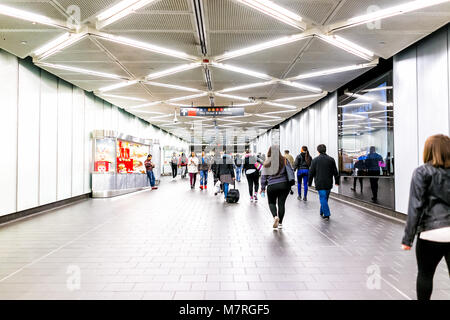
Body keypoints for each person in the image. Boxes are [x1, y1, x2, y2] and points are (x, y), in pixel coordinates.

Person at [401, 134, 450, 300]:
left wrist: (408, 239)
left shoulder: (422, 172)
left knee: (425, 274)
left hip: (430, 232)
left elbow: (415, 207)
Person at [260, 146, 293, 230]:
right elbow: (290, 171)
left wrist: (263, 187)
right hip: (284, 185)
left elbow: (263, 176)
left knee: (272, 203)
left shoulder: (267, 162)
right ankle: (280, 223)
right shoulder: (284, 160)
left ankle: (275, 217)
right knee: (281, 204)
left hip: (272, 185)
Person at [308, 144, 339, 221]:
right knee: (325, 198)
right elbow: (335, 171)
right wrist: (337, 181)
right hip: (329, 182)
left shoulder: (315, 160)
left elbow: (311, 173)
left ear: (318, 151)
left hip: (319, 182)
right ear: (325, 150)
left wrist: (309, 183)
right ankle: (322, 211)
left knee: (323, 198)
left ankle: (326, 214)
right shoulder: (331, 159)